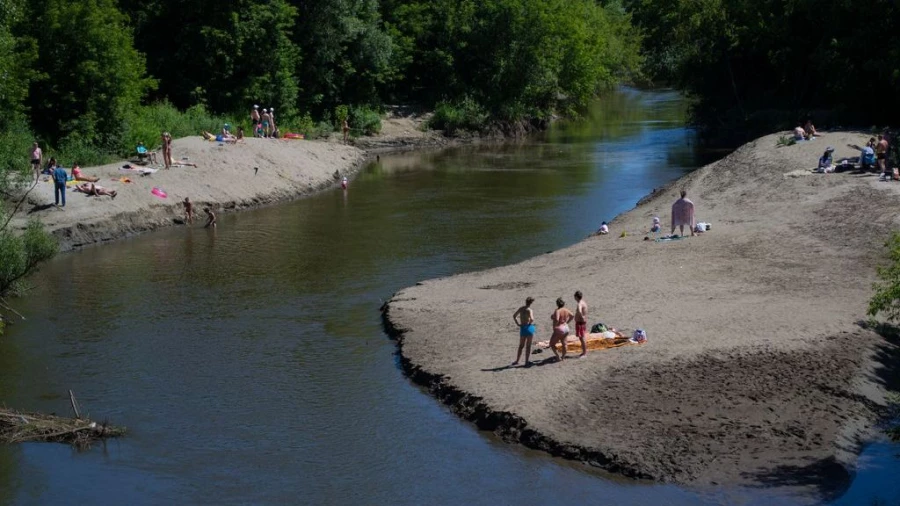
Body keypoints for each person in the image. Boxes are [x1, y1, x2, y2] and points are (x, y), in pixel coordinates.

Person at [548, 298, 574, 362]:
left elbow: (557, 319)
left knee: (552, 344)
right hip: (566, 327)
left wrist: (554, 326)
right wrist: (567, 322)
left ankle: (557, 356)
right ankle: (563, 357)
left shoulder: (557, 310)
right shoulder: (566, 310)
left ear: (557, 304)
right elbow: (572, 315)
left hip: (560, 328)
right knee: (564, 343)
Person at [512, 296, 536, 366]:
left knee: (521, 346)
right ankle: (526, 361)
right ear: (531, 303)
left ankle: (517, 360)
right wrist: (530, 323)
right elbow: (532, 319)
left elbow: (514, 316)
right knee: (528, 346)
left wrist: (518, 324)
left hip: (523, 328)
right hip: (529, 328)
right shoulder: (530, 310)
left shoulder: (521, 308)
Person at [574, 291, 588, 357]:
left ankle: (584, 353)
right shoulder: (583, 302)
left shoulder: (579, 303)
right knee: (582, 337)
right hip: (582, 322)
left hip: (580, 322)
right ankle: (584, 352)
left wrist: (581, 316)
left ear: (576, 297)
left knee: (582, 338)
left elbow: (579, 311)